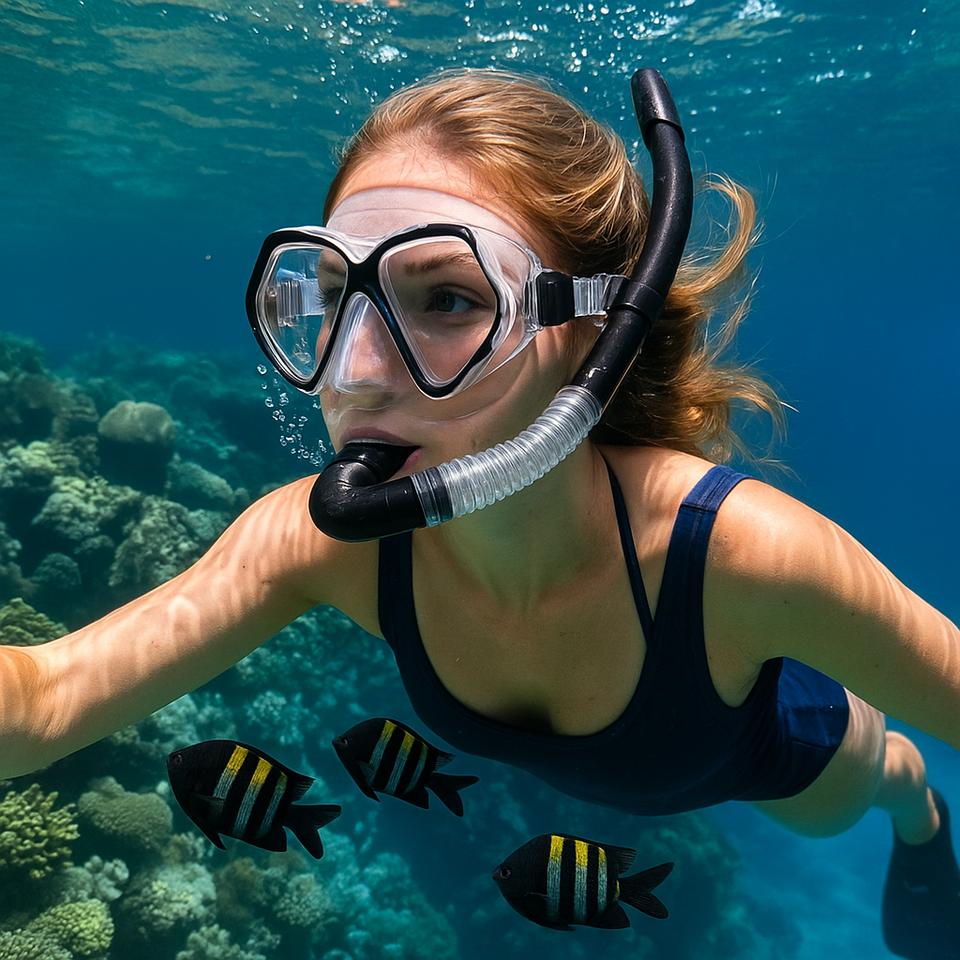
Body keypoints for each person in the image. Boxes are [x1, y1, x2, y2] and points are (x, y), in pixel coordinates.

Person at [2, 68, 958, 959]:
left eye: (449, 299)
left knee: (861, 794)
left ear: (592, 334)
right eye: (333, 298)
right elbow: (45, 701)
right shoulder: (319, 544)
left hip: (765, 749)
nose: (355, 373)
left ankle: (923, 817)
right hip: (657, 757)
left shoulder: (739, 552)